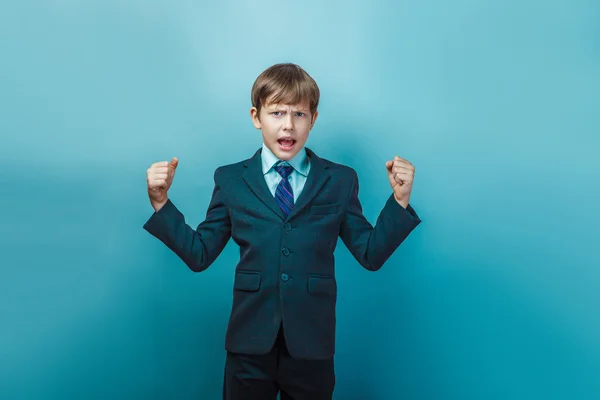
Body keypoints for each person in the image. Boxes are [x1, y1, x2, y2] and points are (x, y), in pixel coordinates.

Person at [143, 63, 422, 400]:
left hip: (311, 347)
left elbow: (370, 253)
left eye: (299, 114)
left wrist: (400, 201)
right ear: (256, 116)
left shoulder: (340, 180)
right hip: (248, 345)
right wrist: (161, 203)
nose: (288, 124)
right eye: (276, 112)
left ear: (313, 119)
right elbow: (199, 253)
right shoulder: (230, 180)